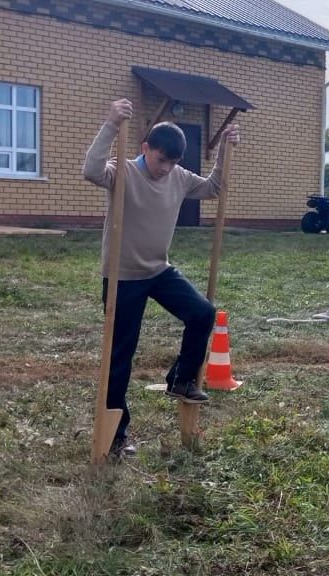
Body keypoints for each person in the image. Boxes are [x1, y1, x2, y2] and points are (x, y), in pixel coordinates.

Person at [82, 98, 239, 458]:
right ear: (145, 149)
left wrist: (227, 150)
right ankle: (116, 436)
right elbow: (90, 171)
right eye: (161, 159)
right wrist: (109, 124)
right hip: (122, 277)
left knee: (202, 314)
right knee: (120, 357)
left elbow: (215, 188)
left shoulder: (180, 178)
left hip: (158, 270)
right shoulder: (123, 171)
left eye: (174, 161)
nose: (166, 168)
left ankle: (180, 379)